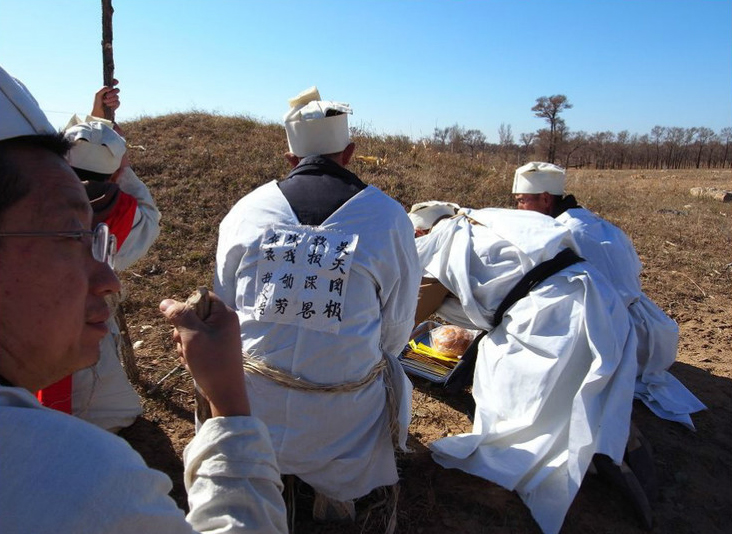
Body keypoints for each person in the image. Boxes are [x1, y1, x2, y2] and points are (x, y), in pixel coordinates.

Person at [0, 65, 287, 533]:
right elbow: (146, 216)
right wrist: (230, 406)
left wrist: (95, 125)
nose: (107, 278)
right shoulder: (81, 482)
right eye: (69, 234)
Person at [214, 86, 421, 521]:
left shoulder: (248, 210)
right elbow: (397, 325)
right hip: (343, 412)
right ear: (349, 152)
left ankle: (270, 483)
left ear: (291, 158)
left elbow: (224, 305)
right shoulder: (387, 217)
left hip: (253, 403)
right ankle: (336, 492)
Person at [411, 204, 640, 534]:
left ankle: (562, 462)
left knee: (519, 408)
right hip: (601, 298)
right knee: (581, 391)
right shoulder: (485, 222)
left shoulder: (440, 243)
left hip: (556, 313)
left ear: (420, 233)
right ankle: (604, 441)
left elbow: (407, 315)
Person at [512, 161, 706, 429]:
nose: (518, 209)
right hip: (654, 337)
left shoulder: (561, 233)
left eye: (522, 202)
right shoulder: (596, 223)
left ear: (545, 199)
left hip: (617, 341)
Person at [36, 84, 161, 432]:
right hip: (87, 334)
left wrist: (94, 123)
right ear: (118, 173)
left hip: (26, 322)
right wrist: (120, 160)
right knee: (109, 413)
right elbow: (150, 215)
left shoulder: (27, 201)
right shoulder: (126, 214)